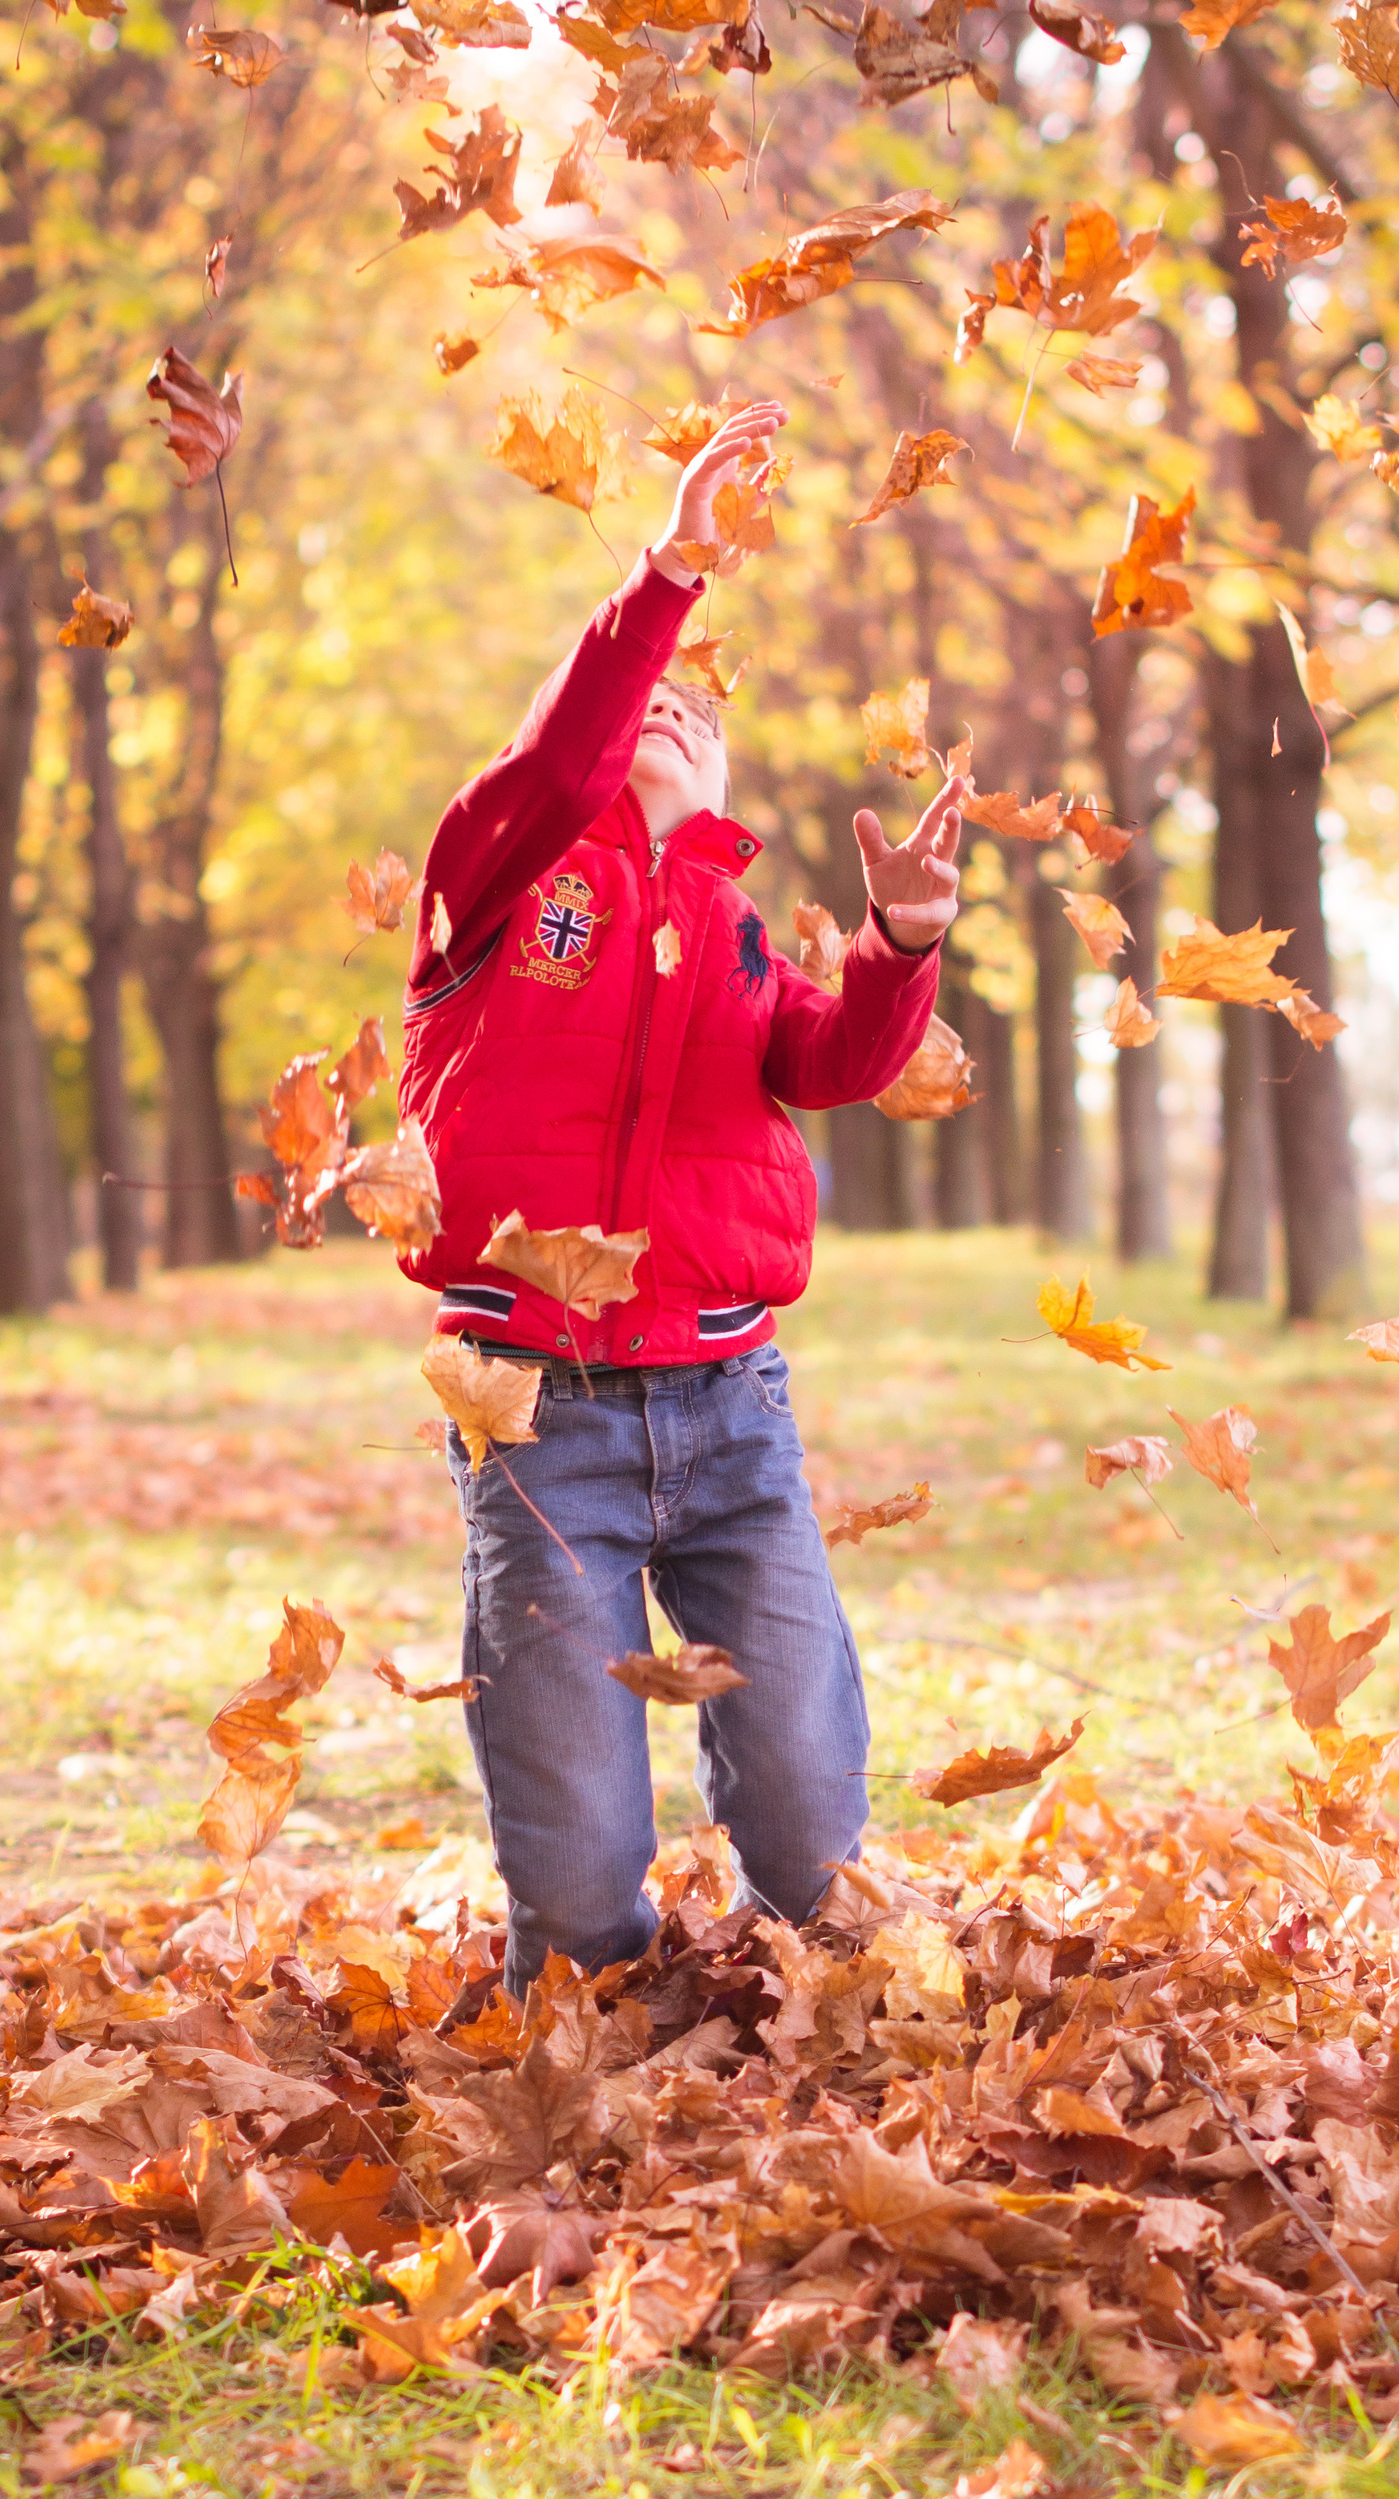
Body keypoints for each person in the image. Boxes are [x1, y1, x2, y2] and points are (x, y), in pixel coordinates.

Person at [396, 396, 968, 1996]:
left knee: (803, 1814)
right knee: (576, 1857)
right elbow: (562, 748)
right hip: (537, 1418)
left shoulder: (736, 933)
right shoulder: (496, 878)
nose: (669, 712)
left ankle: (833, 2011)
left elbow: (839, 1058)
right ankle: (589, 2028)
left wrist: (899, 945)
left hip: (727, 1408)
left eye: (695, 705)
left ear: (723, 763)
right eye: (652, 698)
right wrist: (668, 581)